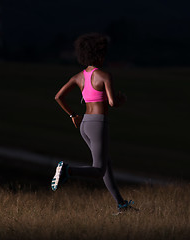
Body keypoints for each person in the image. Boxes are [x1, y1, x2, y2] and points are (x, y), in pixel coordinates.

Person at [51, 33, 135, 212]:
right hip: (98, 124)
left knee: (105, 165)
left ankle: (121, 205)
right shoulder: (104, 76)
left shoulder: (78, 77)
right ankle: (68, 170)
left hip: (85, 124)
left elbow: (58, 97)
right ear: (98, 54)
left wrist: (73, 115)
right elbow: (112, 103)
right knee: (98, 169)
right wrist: (122, 99)